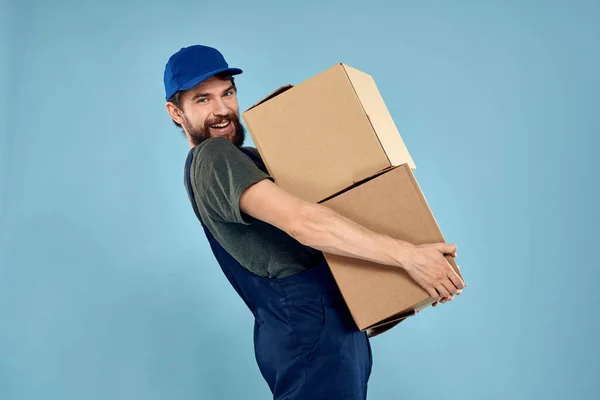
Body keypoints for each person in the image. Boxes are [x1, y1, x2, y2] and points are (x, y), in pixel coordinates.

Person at [163, 45, 465, 400]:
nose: (222, 110)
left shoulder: (246, 158)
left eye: (227, 93)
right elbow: (303, 222)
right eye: (203, 100)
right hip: (308, 330)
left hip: (329, 326)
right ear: (175, 112)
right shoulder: (213, 157)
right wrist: (409, 257)